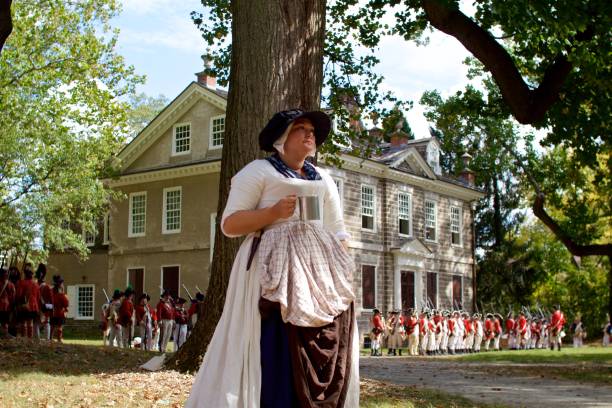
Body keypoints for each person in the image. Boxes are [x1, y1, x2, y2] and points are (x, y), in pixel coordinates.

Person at [185, 109, 359, 408]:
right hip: (274, 270)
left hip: (321, 272)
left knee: (327, 332)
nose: (309, 134)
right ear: (281, 139)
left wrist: (341, 259)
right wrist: (272, 214)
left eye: (313, 131)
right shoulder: (259, 171)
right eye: (300, 128)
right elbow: (229, 224)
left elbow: (337, 229)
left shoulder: (325, 180)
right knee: (277, 337)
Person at [15, 263, 40, 338]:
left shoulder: (21, 282)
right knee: (31, 323)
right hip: (34, 306)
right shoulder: (36, 284)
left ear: (25, 274)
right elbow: (38, 296)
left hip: (25, 305)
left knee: (24, 322)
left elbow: (19, 295)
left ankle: (24, 338)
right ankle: (30, 339)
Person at [50, 275, 69, 343]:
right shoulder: (61, 294)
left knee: (52, 325)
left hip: (52, 312)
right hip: (60, 312)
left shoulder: (51, 291)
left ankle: (50, 338)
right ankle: (59, 338)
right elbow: (66, 303)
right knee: (59, 326)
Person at [37, 264, 53, 341]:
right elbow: (51, 299)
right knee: (46, 323)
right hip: (44, 308)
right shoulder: (47, 286)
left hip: (37, 308)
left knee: (35, 324)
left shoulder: (35, 285)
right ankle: (47, 340)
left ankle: (37, 339)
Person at [0, 267, 16, 338]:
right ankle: (5, 336)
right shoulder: (11, 284)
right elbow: (13, 297)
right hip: (6, 306)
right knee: (5, 322)